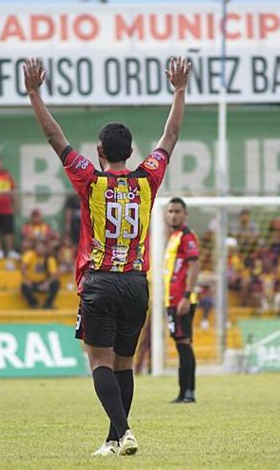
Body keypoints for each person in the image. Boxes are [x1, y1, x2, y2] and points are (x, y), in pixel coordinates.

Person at [24, 55, 190, 456]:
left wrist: (33, 93)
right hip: (136, 282)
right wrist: (180, 90)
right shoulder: (148, 176)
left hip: (100, 280)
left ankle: (125, 431)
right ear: (131, 152)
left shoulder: (89, 178)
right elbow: (170, 137)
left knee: (98, 362)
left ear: (100, 151)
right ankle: (113, 440)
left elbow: (54, 138)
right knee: (123, 364)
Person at [164, 198, 200, 404]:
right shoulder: (173, 236)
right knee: (180, 344)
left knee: (184, 344)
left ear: (185, 214)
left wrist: (186, 296)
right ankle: (183, 392)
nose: (173, 215)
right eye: (170, 211)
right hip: (172, 299)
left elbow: (195, 266)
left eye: (177, 211)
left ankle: (188, 392)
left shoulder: (186, 237)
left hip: (182, 300)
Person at [21, 240, 60, 309]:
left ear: (45, 249)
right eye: (38, 248)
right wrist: (26, 279)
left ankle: (48, 304)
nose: (40, 250)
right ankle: (34, 304)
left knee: (56, 283)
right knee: (24, 286)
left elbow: (54, 274)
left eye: (42, 248)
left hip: (44, 282)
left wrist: (47, 283)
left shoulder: (49, 258)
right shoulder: (30, 254)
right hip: (32, 282)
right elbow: (23, 266)